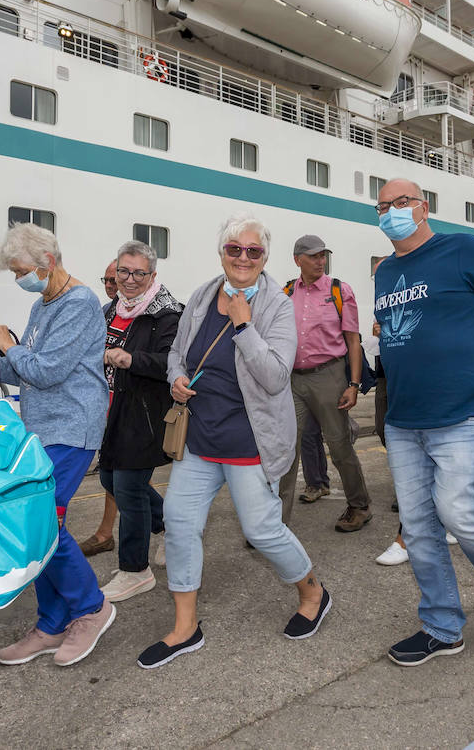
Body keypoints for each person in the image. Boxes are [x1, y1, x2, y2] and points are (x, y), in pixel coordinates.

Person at [137, 215, 330, 669]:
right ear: (222, 252)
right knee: (180, 525)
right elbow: (177, 355)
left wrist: (245, 329)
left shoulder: (277, 306)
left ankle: (313, 591)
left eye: (253, 251)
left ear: (265, 256)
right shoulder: (204, 296)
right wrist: (177, 378)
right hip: (200, 439)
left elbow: (276, 375)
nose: (242, 258)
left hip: (249, 442)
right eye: (233, 249)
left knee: (262, 531)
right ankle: (186, 628)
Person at [373, 180, 474, 663]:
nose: (391, 211)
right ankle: (442, 626)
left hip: (464, 412)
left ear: (424, 206)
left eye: (401, 202)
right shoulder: (385, 273)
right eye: (382, 206)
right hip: (404, 419)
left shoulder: (463, 250)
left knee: (459, 512)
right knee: (417, 527)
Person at [0, 224, 115, 667]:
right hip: (43, 429)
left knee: (41, 525)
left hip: (71, 428)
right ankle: (51, 623)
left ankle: (90, 608)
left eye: (21, 271)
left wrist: (9, 347)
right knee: (38, 525)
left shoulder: (79, 303)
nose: (18, 279)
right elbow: (24, 370)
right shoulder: (44, 304)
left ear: (48, 263)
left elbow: (47, 371)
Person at [97, 241, 182, 602]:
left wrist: (131, 359)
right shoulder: (111, 309)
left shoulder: (167, 314)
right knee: (107, 478)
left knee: (129, 487)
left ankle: (135, 570)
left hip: (145, 414)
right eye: (123, 272)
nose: (129, 280)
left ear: (153, 276)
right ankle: (167, 527)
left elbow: (171, 363)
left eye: (138, 273)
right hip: (111, 411)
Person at [278, 234, 371, 532]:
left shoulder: (339, 290)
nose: (320, 261)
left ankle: (359, 505)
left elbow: (353, 342)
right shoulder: (287, 292)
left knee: (339, 443)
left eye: (323, 256)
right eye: (314, 256)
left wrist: (353, 385)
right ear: (298, 260)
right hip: (293, 379)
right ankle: (275, 523)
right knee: (286, 449)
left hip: (329, 376)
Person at [80, 260, 122, 557]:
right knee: (114, 475)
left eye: (113, 280)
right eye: (105, 281)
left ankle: (107, 533)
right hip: (101, 404)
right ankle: (165, 523)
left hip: (125, 406)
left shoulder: (140, 313)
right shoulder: (106, 312)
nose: (109, 286)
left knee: (120, 476)